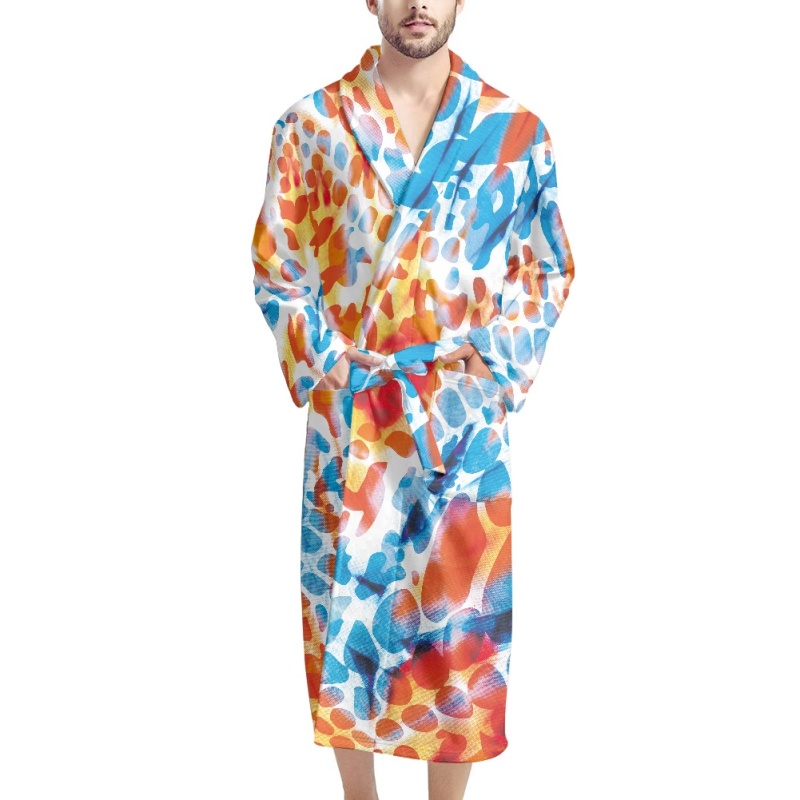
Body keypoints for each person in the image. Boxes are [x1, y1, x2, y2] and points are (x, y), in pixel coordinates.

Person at [250, 1, 575, 797]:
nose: (418, 3)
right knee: (345, 621)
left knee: (460, 633)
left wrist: (492, 361)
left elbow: (548, 267)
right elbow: (278, 265)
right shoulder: (312, 125)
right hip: (355, 420)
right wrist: (328, 364)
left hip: (459, 426)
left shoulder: (515, 132)